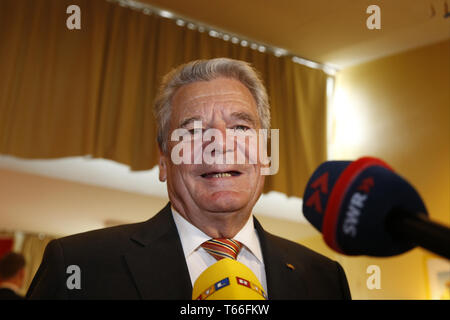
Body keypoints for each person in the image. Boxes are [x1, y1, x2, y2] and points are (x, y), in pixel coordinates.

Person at [26, 58, 351, 299]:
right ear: (164, 159)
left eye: (240, 127)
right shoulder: (78, 267)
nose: (220, 144)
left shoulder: (324, 280)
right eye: (194, 130)